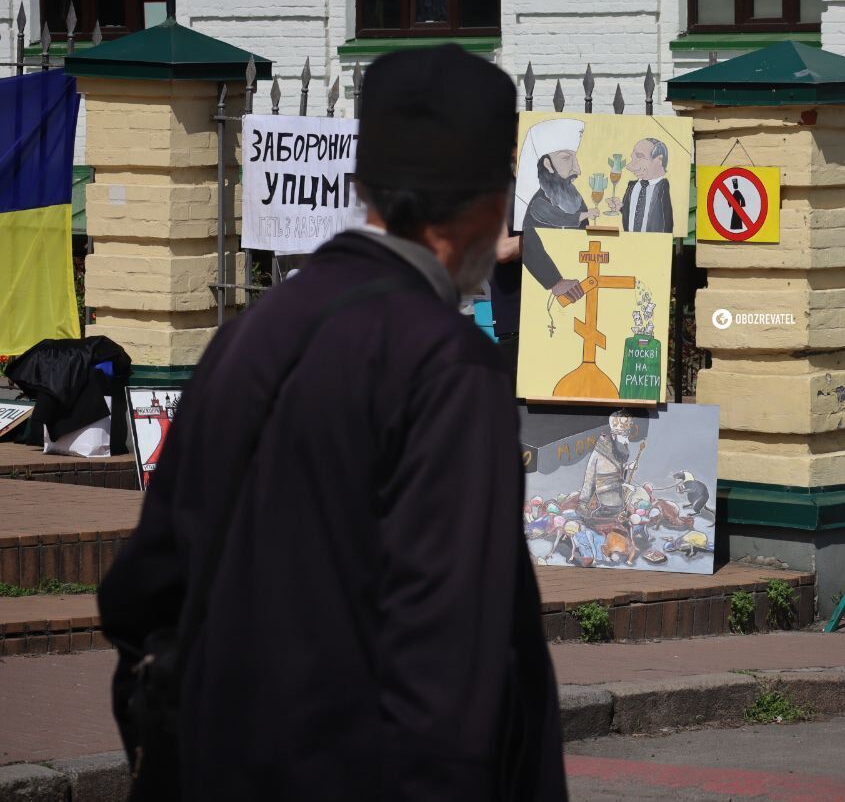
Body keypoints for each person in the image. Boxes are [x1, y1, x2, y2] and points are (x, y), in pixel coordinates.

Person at [97, 46, 567, 802]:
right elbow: (450, 666)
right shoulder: (449, 370)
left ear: (364, 187)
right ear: (491, 204)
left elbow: (140, 589)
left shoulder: (255, 328)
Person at [607, 138, 674, 233]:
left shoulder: (664, 188)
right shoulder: (632, 186)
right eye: (633, 157)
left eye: (639, 157)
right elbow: (634, 212)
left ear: (659, 159)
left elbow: (666, 223)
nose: (630, 166)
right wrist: (622, 207)